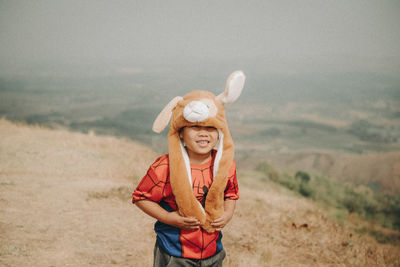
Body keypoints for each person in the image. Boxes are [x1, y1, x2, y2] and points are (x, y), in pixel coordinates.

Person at [132, 71, 245, 266]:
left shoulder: (224, 165)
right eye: (195, 127)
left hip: (213, 251)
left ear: (220, 133)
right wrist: (168, 217)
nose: (203, 134)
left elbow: (230, 194)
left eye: (210, 129)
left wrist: (227, 214)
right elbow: (141, 198)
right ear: (181, 133)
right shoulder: (165, 167)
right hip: (175, 253)